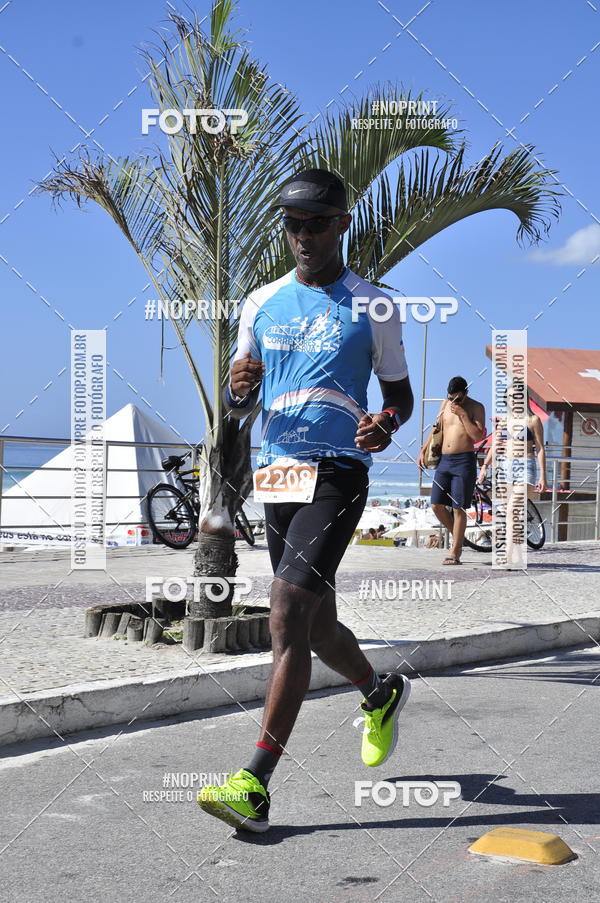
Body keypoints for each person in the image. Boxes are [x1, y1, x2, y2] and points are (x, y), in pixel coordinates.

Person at [197, 168, 414, 832]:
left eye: (316, 222)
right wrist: (236, 388)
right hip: (278, 474)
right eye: (292, 223)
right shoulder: (261, 304)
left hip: (339, 474)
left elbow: (399, 395)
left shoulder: (373, 306)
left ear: (342, 224)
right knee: (317, 627)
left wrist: (388, 423)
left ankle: (255, 783)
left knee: (286, 611)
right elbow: (241, 403)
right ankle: (379, 692)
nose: (302, 235)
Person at [418, 376, 486, 565]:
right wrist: (423, 449)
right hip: (445, 461)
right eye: (450, 398)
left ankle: (454, 552)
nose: (453, 402)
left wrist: (463, 414)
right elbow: (436, 429)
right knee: (436, 505)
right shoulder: (444, 404)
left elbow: (477, 437)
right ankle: (459, 537)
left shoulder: (476, 407)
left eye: (457, 399)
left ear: (465, 393)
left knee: (458, 508)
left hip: (464, 461)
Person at [478, 394, 547, 494]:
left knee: (514, 505)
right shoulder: (504, 421)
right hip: (505, 466)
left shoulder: (533, 420)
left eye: (516, 395)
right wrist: (484, 466)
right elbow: (495, 446)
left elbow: (540, 449)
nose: (513, 399)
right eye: (509, 396)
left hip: (525, 466)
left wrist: (543, 476)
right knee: (506, 508)